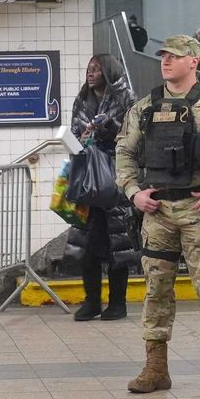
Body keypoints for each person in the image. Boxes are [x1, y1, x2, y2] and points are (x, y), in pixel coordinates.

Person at [116, 34, 200, 398]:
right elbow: (124, 151)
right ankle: (155, 368)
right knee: (156, 288)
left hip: (199, 212)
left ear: (193, 61)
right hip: (157, 211)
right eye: (163, 55)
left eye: (174, 56)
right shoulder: (145, 107)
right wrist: (134, 192)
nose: (166, 61)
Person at [66, 54, 140, 321]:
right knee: (86, 245)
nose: (91, 73)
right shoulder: (81, 100)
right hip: (87, 179)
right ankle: (92, 301)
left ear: (109, 72)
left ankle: (118, 303)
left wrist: (109, 128)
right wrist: (82, 137)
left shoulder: (125, 98)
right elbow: (75, 134)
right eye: (89, 69)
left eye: (97, 69)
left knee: (117, 245)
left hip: (115, 179)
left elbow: (136, 136)